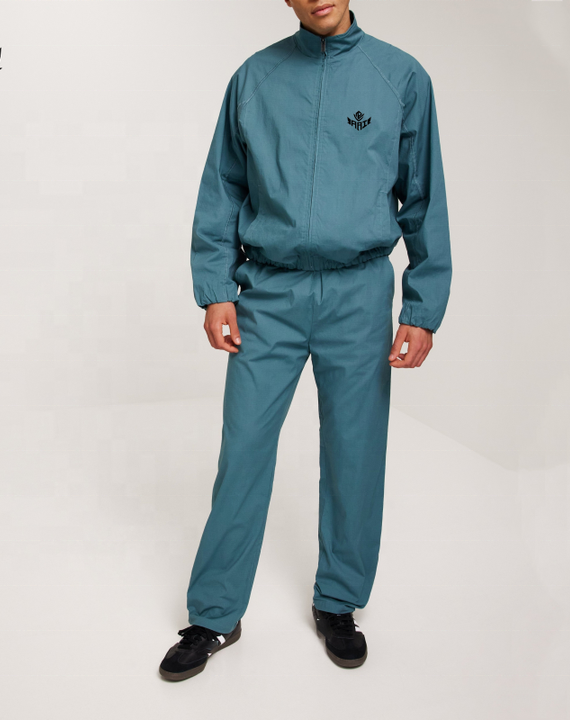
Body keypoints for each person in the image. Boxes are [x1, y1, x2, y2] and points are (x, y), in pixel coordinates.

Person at [159, 0, 452, 681]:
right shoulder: (254, 78)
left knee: (355, 451)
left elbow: (423, 198)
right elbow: (222, 188)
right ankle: (214, 614)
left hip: (360, 294)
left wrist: (423, 307)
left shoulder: (400, 77)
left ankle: (339, 602)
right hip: (268, 293)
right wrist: (216, 288)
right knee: (243, 450)